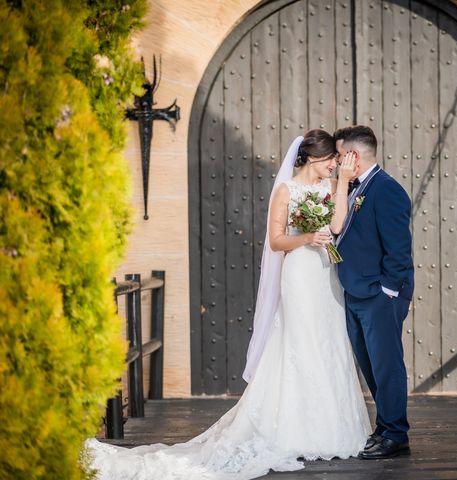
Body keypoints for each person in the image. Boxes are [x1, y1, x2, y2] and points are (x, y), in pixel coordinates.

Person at [86, 130, 371, 479]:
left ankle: (332, 428)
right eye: (331, 160)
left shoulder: (330, 187)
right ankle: (295, 429)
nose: (335, 165)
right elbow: (277, 241)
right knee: (300, 344)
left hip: (324, 274)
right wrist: (308, 237)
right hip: (298, 273)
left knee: (328, 343)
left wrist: (341, 183)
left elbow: (338, 224)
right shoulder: (286, 190)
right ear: (315, 158)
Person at [334, 125, 414, 460]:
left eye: (339, 155)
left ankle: (396, 434)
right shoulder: (354, 188)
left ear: (352, 155)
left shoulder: (386, 190)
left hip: (379, 296)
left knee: (387, 365)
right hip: (355, 293)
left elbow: (399, 249)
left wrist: (388, 291)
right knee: (371, 366)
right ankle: (383, 428)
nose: (336, 162)